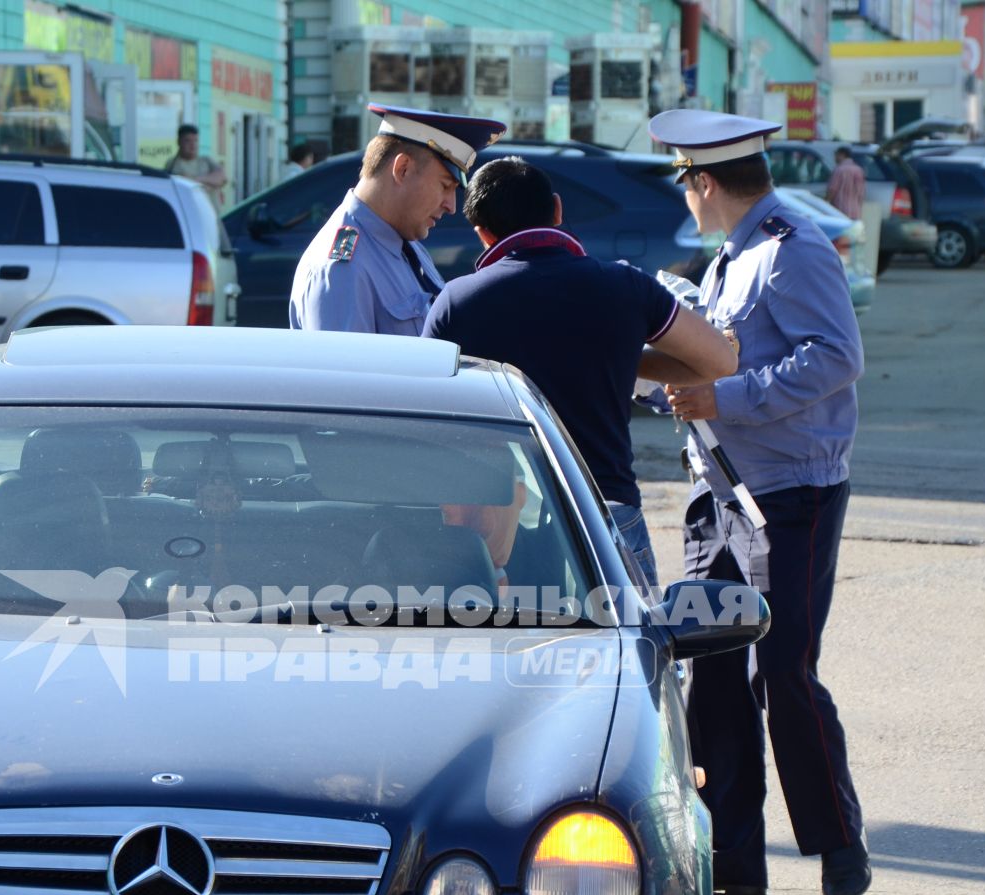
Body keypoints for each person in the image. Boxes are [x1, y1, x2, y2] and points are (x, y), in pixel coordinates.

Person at [651, 108, 871, 895]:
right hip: (720, 492)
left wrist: (725, 396)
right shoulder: (728, 258)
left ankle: (838, 841)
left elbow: (837, 357)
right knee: (713, 675)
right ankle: (736, 856)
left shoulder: (791, 248)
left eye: (685, 180)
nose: (685, 194)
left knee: (784, 670)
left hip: (790, 494)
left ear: (704, 182)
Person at [422, 157, 738, 588]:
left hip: (500, 525)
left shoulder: (457, 303)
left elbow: (429, 416)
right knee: (630, 648)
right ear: (557, 210)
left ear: (483, 233)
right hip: (608, 510)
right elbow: (719, 360)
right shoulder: (626, 286)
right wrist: (616, 358)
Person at [288, 103, 505, 336]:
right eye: (444, 186)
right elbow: (345, 372)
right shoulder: (342, 270)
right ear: (402, 169)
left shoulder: (406, 245)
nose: (451, 206)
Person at [167, 125, 227, 207]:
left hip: (212, 217)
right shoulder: (173, 164)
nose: (193, 145)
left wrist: (196, 179)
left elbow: (221, 178)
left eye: (195, 141)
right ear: (179, 142)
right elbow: (182, 188)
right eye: (188, 141)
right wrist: (209, 184)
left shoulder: (206, 161)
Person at [826, 145, 867, 220]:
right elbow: (861, 192)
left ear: (842, 155)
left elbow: (832, 190)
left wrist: (825, 203)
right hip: (855, 212)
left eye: (836, 155)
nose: (835, 158)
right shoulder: (859, 170)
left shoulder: (839, 170)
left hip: (839, 211)